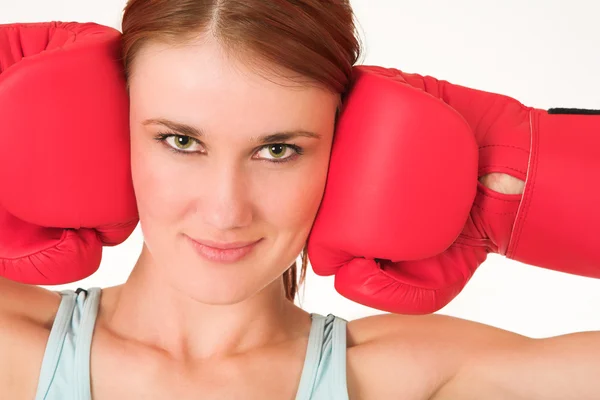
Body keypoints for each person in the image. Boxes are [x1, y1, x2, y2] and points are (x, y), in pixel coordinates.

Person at [1, 1, 600, 399]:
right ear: (112, 128)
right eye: (180, 141)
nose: (226, 210)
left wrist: (520, 180)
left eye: (278, 150)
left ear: (352, 148)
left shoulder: (415, 378)